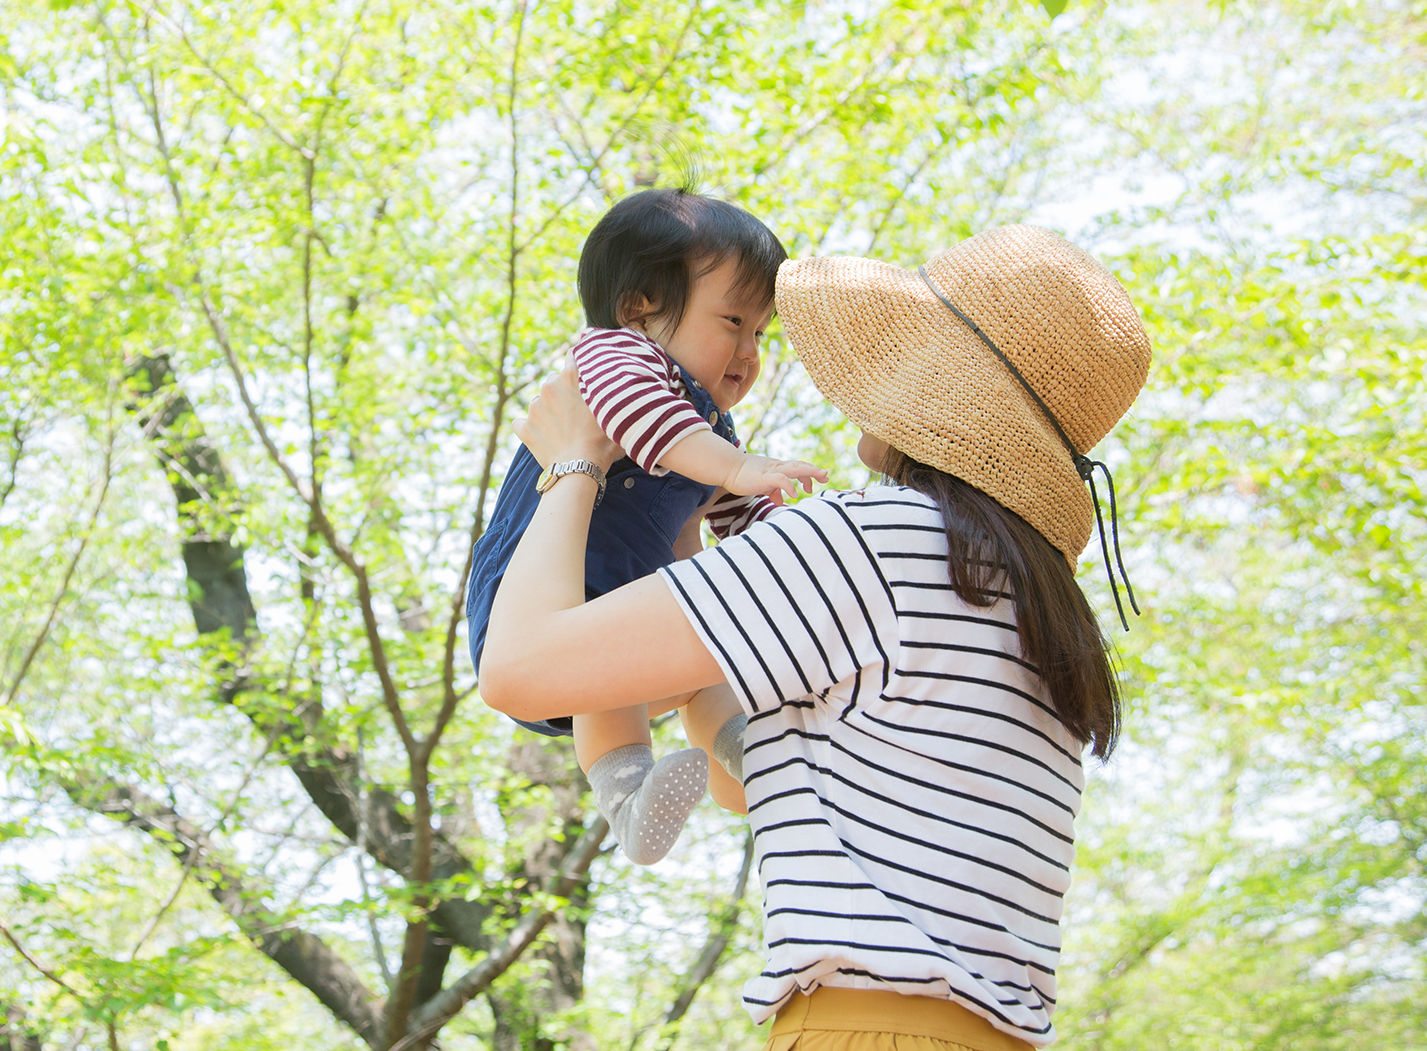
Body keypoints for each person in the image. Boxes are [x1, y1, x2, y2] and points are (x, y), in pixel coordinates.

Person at [478, 224, 1152, 1049]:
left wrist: (574, 460)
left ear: (935, 390)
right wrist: (686, 526)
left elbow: (515, 670)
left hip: (859, 1025)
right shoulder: (1031, 598)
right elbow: (743, 783)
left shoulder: (874, 541)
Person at [465, 188, 827, 865]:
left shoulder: (711, 431)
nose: (750, 352)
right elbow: (647, 425)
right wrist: (742, 466)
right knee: (602, 683)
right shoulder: (617, 359)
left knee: (704, 660)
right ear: (638, 309)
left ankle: (747, 747)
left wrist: (778, 538)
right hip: (539, 603)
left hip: (621, 612)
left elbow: (736, 519)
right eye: (733, 321)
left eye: (760, 333)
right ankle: (624, 790)